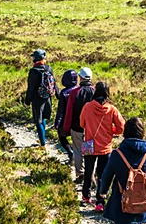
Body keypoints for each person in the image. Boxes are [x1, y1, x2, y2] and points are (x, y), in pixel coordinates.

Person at [78, 81, 125, 212]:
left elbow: (82, 123)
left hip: (89, 144)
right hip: (105, 146)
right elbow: (121, 127)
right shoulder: (112, 109)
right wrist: (112, 131)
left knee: (88, 170)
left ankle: (86, 195)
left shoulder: (87, 107)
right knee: (102, 174)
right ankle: (100, 201)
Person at [61, 68, 95, 190]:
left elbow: (69, 113)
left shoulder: (74, 93)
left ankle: (80, 174)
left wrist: (66, 128)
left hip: (76, 128)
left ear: (80, 78)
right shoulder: (95, 92)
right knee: (89, 152)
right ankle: (90, 174)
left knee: (77, 151)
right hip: (91, 129)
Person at [23, 49, 57, 146]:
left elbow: (31, 88)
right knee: (44, 118)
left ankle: (42, 143)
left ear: (36, 58)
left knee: (38, 121)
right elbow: (54, 83)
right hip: (47, 97)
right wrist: (58, 95)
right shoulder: (48, 68)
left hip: (37, 99)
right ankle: (43, 138)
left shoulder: (33, 71)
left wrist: (27, 101)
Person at [53, 69, 78, 155]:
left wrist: (57, 123)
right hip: (78, 119)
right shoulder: (79, 90)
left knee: (62, 136)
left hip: (65, 119)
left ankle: (69, 151)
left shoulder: (64, 93)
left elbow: (60, 110)